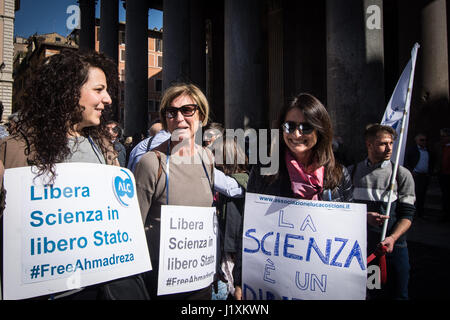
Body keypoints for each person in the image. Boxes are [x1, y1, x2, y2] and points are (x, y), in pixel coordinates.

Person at [0, 49, 149, 300]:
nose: (109, 99)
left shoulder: (103, 145)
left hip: (107, 286)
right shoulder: (13, 150)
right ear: (68, 92)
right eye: (99, 89)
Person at [237, 93, 353, 299]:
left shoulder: (338, 174)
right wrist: (240, 278)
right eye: (289, 126)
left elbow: (348, 233)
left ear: (320, 130)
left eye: (306, 127)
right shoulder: (265, 171)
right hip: (273, 279)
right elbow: (247, 227)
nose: (297, 134)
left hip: (320, 282)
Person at [135, 83, 216, 300]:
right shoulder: (151, 163)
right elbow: (133, 228)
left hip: (201, 280)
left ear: (201, 115)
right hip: (162, 283)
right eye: (171, 112)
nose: (179, 118)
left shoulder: (207, 158)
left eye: (187, 110)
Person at [350, 124, 415, 300]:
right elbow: (345, 212)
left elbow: (407, 215)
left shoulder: (401, 174)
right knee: (375, 292)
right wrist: (363, 217)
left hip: (395, 249)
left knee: (398, 295)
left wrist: (393, 238)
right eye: (383, 144)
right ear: (369, 144)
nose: (389, 148)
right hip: (368, 249)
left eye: (391, 143)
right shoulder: (352, 172)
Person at [211, 135, 249, 300]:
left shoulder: (243, 179)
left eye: (216, 153)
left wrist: (200, 164)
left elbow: (227, 186)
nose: (213, 157)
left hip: (234, 247)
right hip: (222, 245)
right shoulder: (225, 176)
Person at [405, 133, 434, 218]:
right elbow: (406, 161)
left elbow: (431, 162)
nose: (424, 142)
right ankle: (411, 213)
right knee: (414, 194)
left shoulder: (428, 150)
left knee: (422, 194)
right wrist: (411, 171)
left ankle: (420, 213)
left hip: (424, 175)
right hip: (415, 175)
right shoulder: (412, 150)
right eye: (422, 140)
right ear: (416, 140)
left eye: (425, 140)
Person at [435, 128, 450, 221]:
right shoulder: (440, 147)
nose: (443, 138)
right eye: (441, 136)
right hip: (443, 174)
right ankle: (445, 214)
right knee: (445, 195)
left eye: (444, 136)